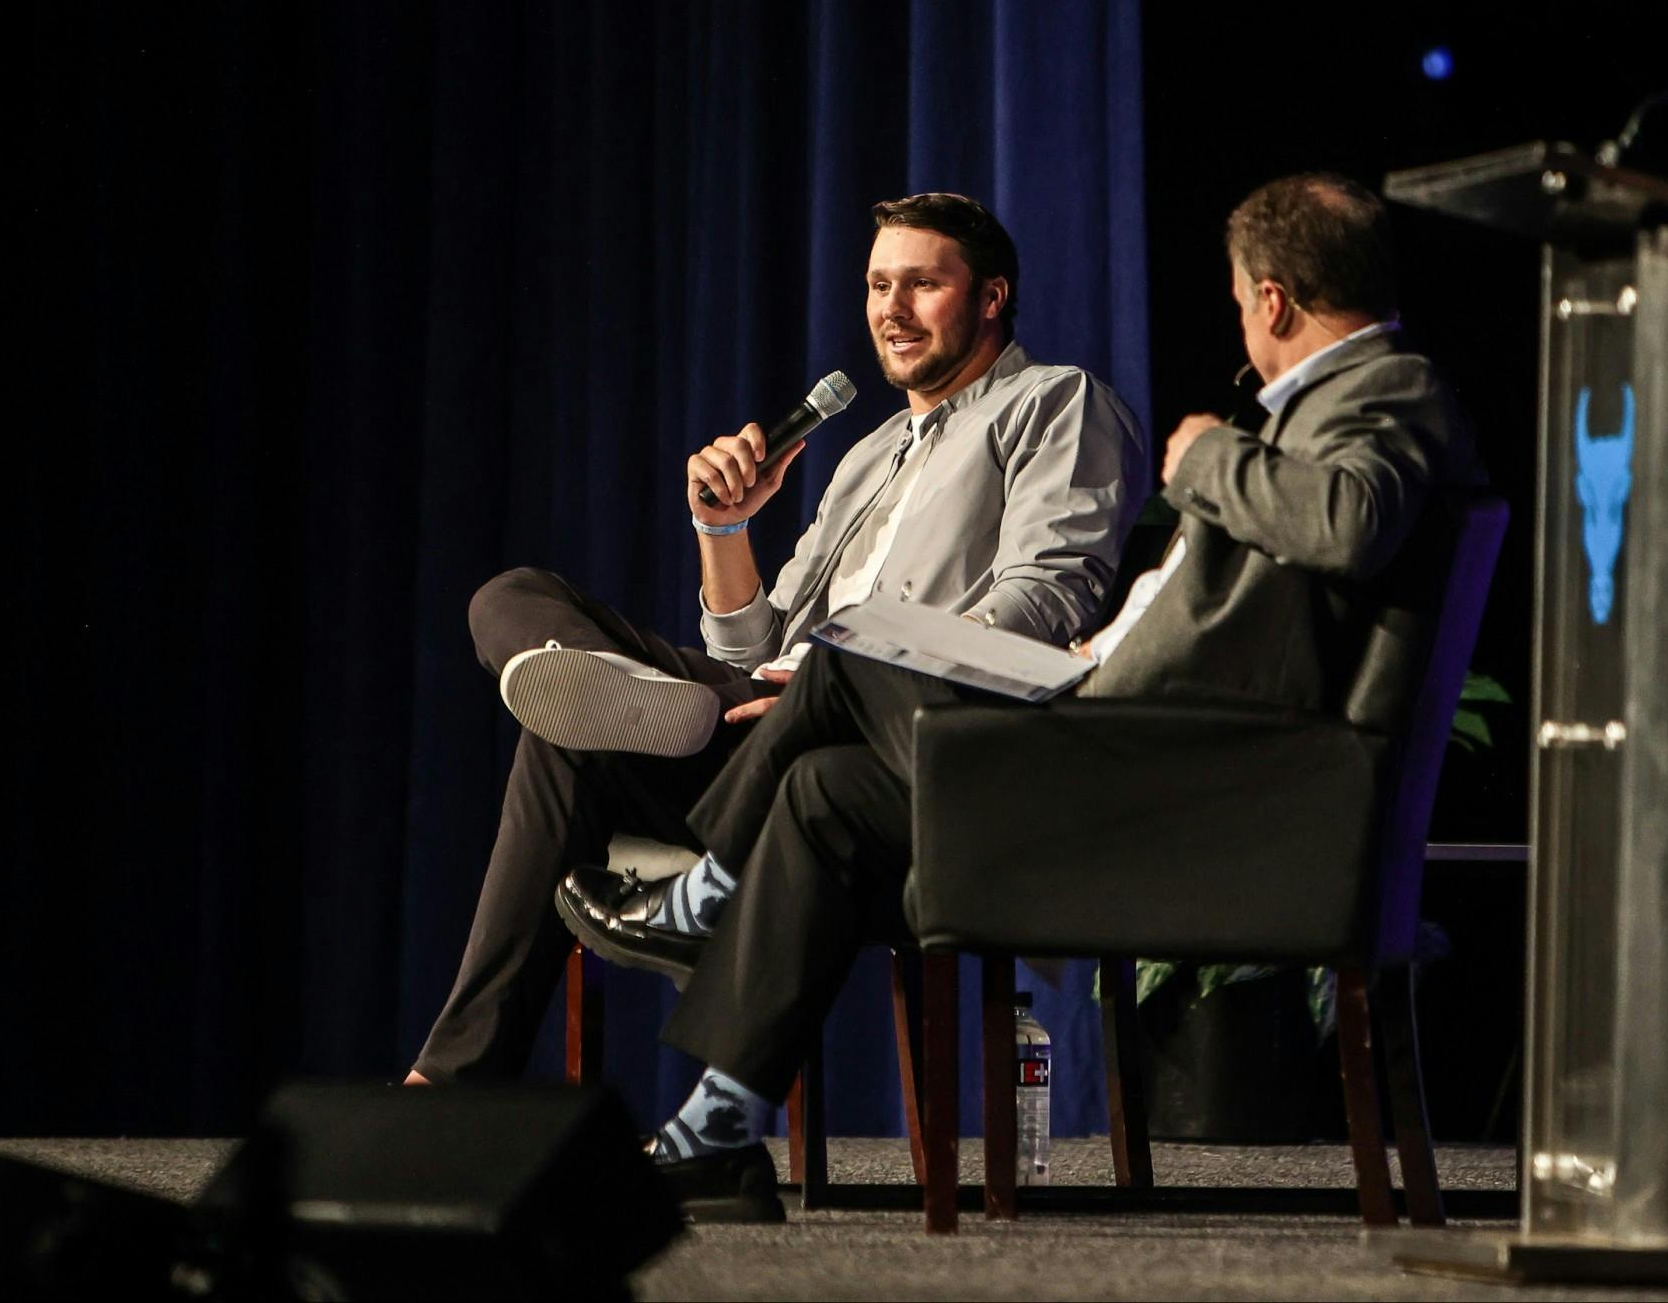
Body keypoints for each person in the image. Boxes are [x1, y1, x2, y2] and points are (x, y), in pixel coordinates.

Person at [558, 172, 1486, 1219]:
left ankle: (699, 894)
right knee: (825, 790)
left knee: (846, 659)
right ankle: (720, 1125)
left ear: (1270, 300)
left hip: (1164, 775)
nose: (1242, 327)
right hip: (1117, 729)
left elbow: (1347, 525)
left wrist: (1207, 455)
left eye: (1236, 304)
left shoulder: (1381, 390)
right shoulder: (1339, 409)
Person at [406, 192, 1148, 1085]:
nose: (892, 309)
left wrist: (857, 668)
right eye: (878, 285)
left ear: (990, 298)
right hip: (767, 717)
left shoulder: (1053, 401)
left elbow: (1045, 597)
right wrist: (723, 531)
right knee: (515, 598)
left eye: (922, 285)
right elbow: (743, 657)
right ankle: (451, 1088)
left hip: (889, 736)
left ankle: (450, 1084)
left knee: (583, 736)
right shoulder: (869, 454)